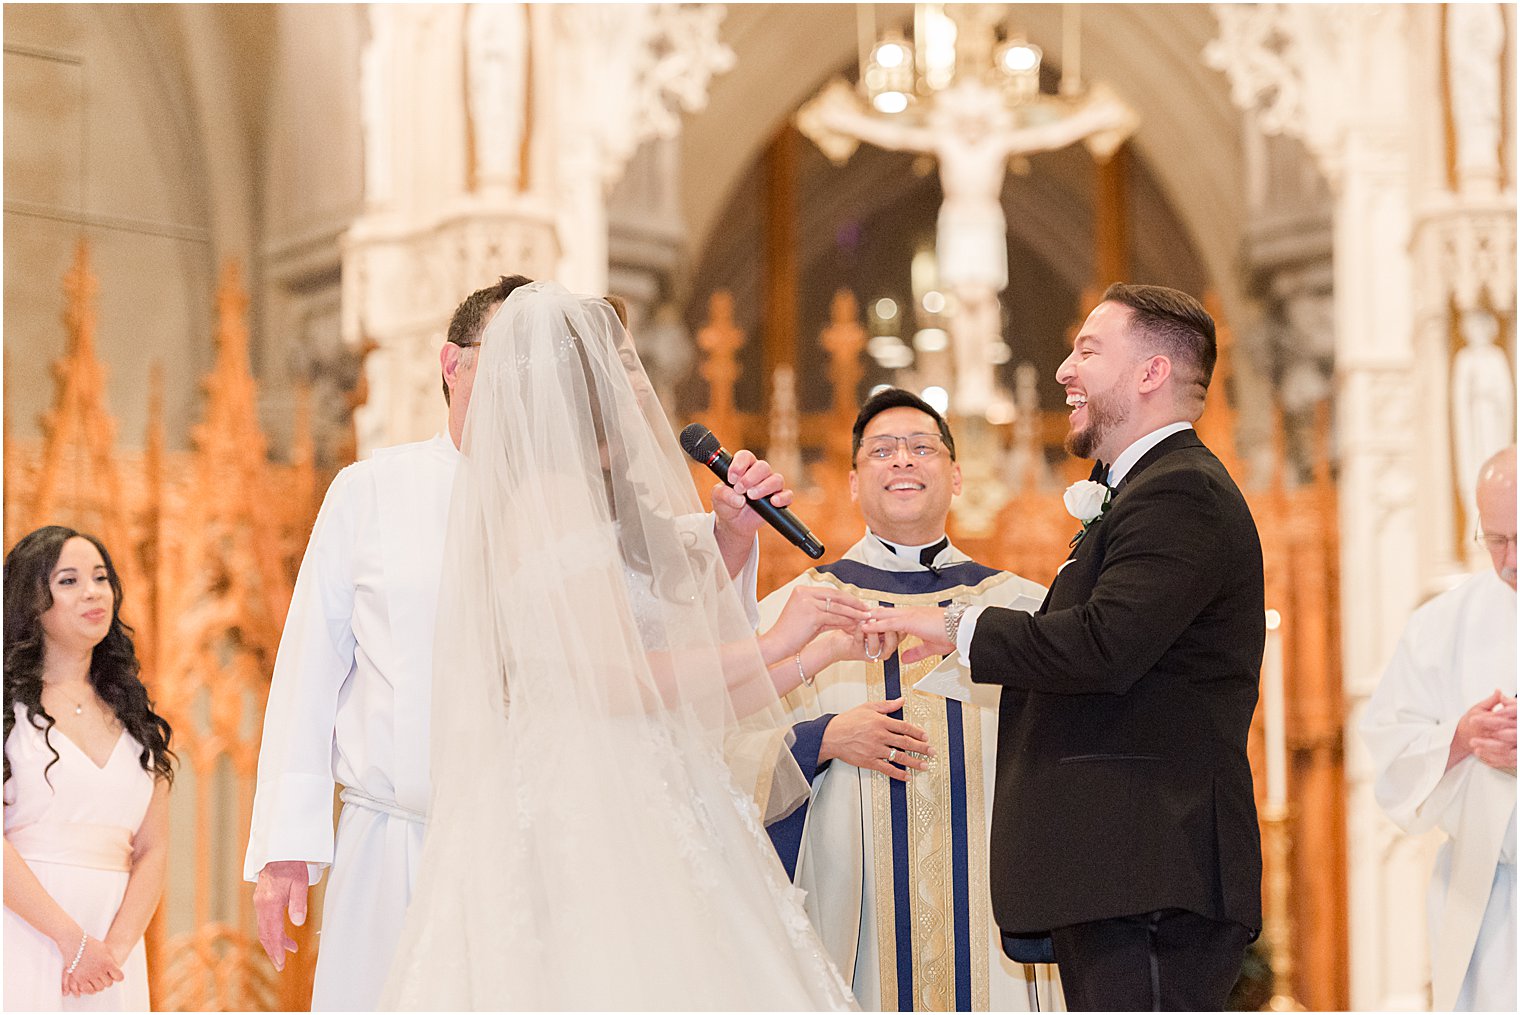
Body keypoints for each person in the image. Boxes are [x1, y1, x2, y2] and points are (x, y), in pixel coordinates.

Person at [245, 275, 801, 1010]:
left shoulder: (593, 495)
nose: (532, 383)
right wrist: (287, 842)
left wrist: (731, 535)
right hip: (401, 835)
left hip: (543, 842)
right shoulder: (372, 491)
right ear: (454, 364)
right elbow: (310, 670)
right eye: (512, 358)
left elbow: (660, 630)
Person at [379, 282, 868, 1008]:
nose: (635, 384)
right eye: (620, 365)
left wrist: (807, 656)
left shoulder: (598, 497)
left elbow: (677, 669)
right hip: (580, 798)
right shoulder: (545, 498)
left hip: (654, 778)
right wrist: (772, 644)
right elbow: (614, 678)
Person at [867, 284, 1265, 1010]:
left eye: (1088, 350)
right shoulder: (1147, 490)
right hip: (1121, 875)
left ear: (1150, 373)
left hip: (1148, 876)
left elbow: (1102, 643)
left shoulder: (1182, 491)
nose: (1062, 370)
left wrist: (957, 623)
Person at [760, 388, 1064, 1012]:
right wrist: (821, 739)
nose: (903, 460)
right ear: (851, 482)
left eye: (922, 448)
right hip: (852, 916)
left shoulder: (1021, 608)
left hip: (990, 905)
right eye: (882, 451)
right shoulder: (801, 610)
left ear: (955, 476)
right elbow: (723, 745)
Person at [1361, 445, 1516, 1011]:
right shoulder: (1444, 625)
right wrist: (1461, 738)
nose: (1510, 561)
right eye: (1495, 540)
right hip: (1488, 899)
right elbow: (1392, 746)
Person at [4, 526, 174, 1011]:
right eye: (69, 580)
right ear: (32, 601)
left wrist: (111, 952)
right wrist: (70, 941)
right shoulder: (6, 709)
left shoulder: (135, 714)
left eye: (101, 578)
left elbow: (153, 848)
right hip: (24, 929)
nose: (93, 592)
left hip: (110, 950)